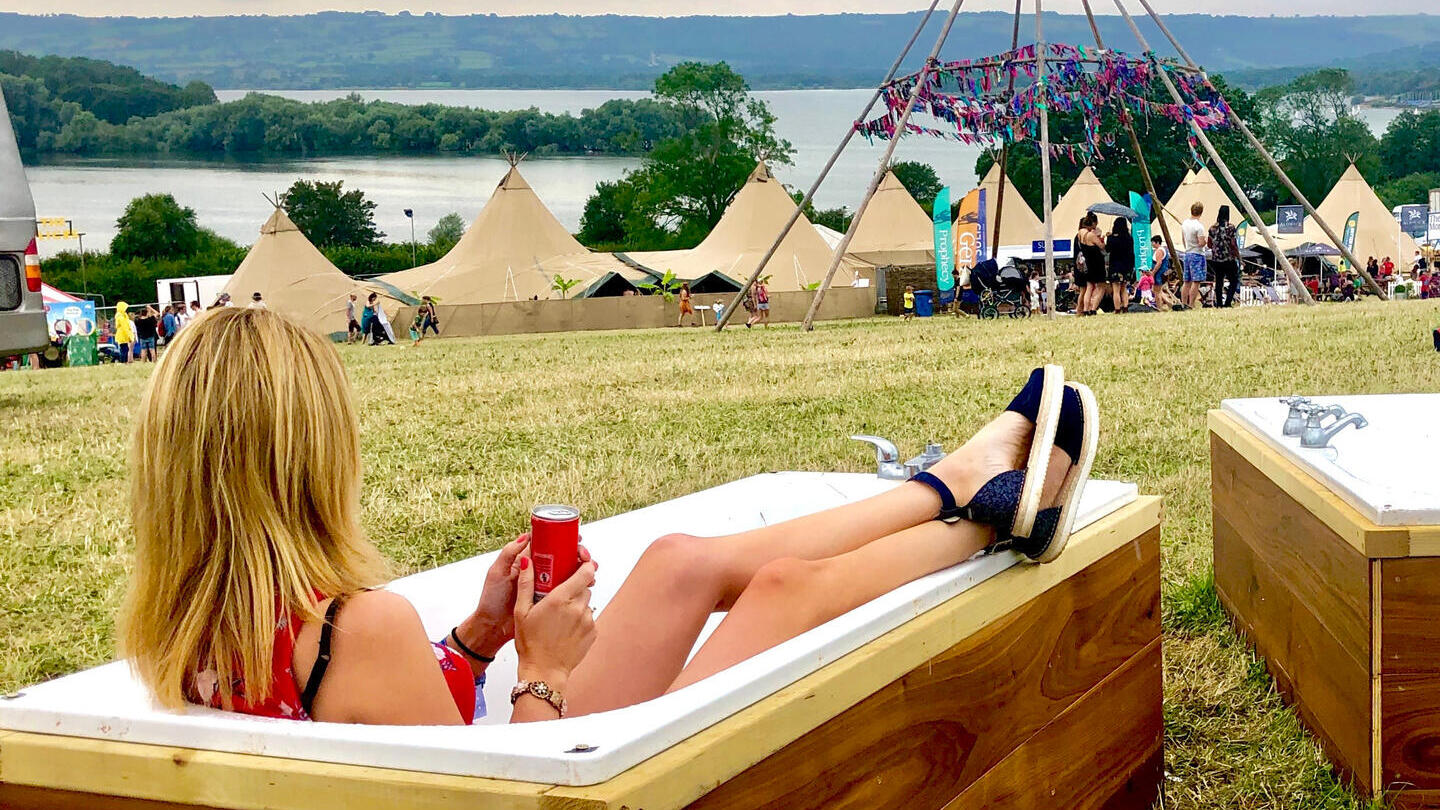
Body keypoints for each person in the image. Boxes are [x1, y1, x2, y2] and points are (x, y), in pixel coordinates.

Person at [119, 308, 1098, 726]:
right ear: (308, 457)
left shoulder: (177, 637)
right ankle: (988, 517)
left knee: (675, 561)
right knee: (783, 593)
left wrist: (476, 639)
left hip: (530, 757)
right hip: (558, 780)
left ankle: (954, 482)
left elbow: (387, 738)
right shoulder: (351, 629)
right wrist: (539, 669)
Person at [1208, 205, 1240, 309]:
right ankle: (1228, 302)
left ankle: (1219, 304)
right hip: (1228, 258)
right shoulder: (1230, 228)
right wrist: (1238, 256)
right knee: (1234, 280)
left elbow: (1209, 244)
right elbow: (1233, 244)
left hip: (1216, 259)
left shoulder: (1212, 228)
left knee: (1219, 281)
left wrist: (1216, 247)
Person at [1077, 214, 1107, 316]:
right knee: (1101, 287)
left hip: (1088, 262)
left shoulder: (1080, 233)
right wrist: (1102, 238)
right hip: (1096, 263)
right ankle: (1093, 308)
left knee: (1089, 287)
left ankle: (1085, 309)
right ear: (1092, 223)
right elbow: (1102, 246)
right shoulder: (1091, 235)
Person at [1180, 202, 1209, 310]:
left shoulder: (1185, 223)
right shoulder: (1199, 226)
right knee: (1196, 281)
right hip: (1197, 254)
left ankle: (1183, 303)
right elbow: (1201, 243)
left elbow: (1183, 238)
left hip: (1187, 253)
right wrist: (1206, 241)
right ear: (1201, 212)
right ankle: (1191, 304)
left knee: (1186, 281)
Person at [1105, 218, 1135, 313]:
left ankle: (1117, 309)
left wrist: (1108, 238)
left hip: (1115, 266)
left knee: (1116, 290)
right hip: (1126, 266)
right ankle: (1125, 307)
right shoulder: (1129, 238)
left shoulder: (1111, 238)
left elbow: (1107, 250)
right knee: (1124, 288)